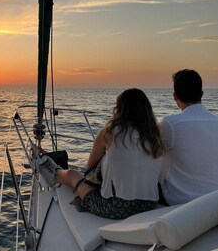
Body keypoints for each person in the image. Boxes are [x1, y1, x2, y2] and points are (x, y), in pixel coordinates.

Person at [37, 88, 164, 219]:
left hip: (114, 207)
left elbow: (89, 169)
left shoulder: (109, 133)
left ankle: (53, 171)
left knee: (71, 174)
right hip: (149, 204)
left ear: (120, 109)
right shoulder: (154, 135)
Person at [159, 69, 218, 205]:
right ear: (202, 94)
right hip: (213, 198)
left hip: (178, 199)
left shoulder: (170, 124)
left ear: (174, 96)